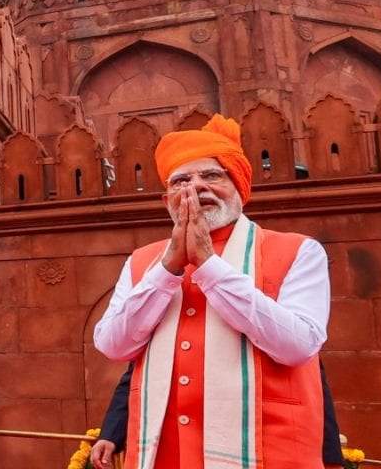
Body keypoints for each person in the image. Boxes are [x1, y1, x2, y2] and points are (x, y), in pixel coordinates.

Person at [93, 114, 330, 469]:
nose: (196, 187)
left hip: (268, 454)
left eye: (212, 176)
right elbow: (113, 344)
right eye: (181, 180)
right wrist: (168, 269)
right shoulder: (144, 262)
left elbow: (298, 345)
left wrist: (209, 266)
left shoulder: (298, 251)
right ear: (166, 199)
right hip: (162, 455)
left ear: (238, 186)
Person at [90, 363, 346, 469]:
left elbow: (310, 384)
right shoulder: (165, 306)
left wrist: (329, 455)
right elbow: (137, 377)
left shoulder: (269, 314)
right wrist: (112, 435)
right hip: (178, 449)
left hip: (258, 447)